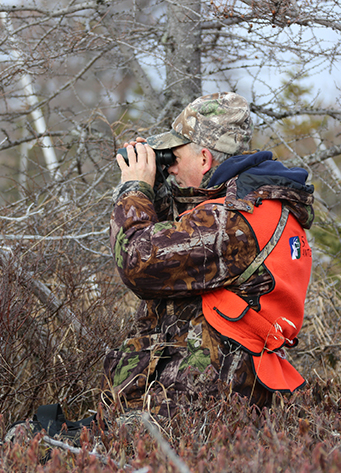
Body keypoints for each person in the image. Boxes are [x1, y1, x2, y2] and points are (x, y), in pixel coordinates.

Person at [103, 92, 315, 418]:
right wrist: (159, 185)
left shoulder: (229, 220)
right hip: (231, 388)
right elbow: (184, 243)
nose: (170, 168)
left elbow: (139, 262)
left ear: (204, 159)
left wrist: (134, 189)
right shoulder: (261, 203)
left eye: (174, 158)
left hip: (198, 401)